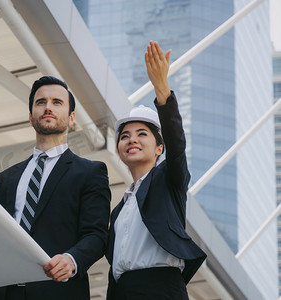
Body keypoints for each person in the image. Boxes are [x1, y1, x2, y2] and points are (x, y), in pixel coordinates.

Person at [0, 76, 111, 300]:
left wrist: (72, 260)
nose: (48, 107)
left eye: (57, 102)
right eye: (40, 102)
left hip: (57, 292)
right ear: (30, 117)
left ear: (71, 117)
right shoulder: (8, 178)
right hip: (5, 293)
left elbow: (96, 235)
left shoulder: (90, 172)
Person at [105, 41, 207, 299]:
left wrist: (161, 88)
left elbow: (176, 143)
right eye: (125, 136)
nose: (132, 140)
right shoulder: (119, 210)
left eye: (142, 134)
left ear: (159, 149)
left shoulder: (169, 181)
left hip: (161, 289)